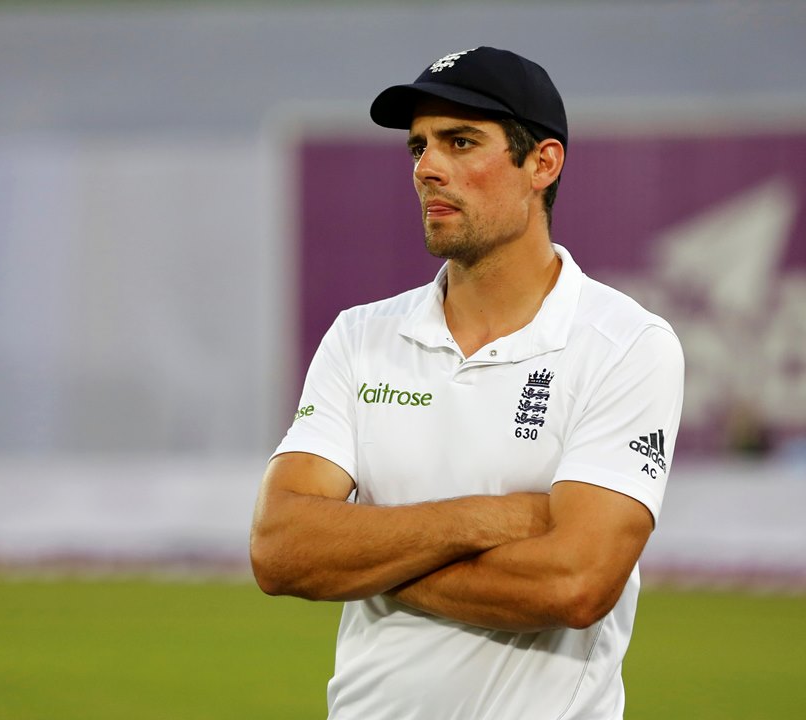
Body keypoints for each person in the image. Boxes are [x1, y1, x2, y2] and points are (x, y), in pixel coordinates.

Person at [249, 46, 684, 720]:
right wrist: (494, 517)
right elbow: (280, 550)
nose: (428, 168)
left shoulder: (627, 344)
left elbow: (574, 583)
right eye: (418, 146)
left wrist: (368, 557)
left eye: (460, 142)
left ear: (543, 163)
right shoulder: (361, 336)